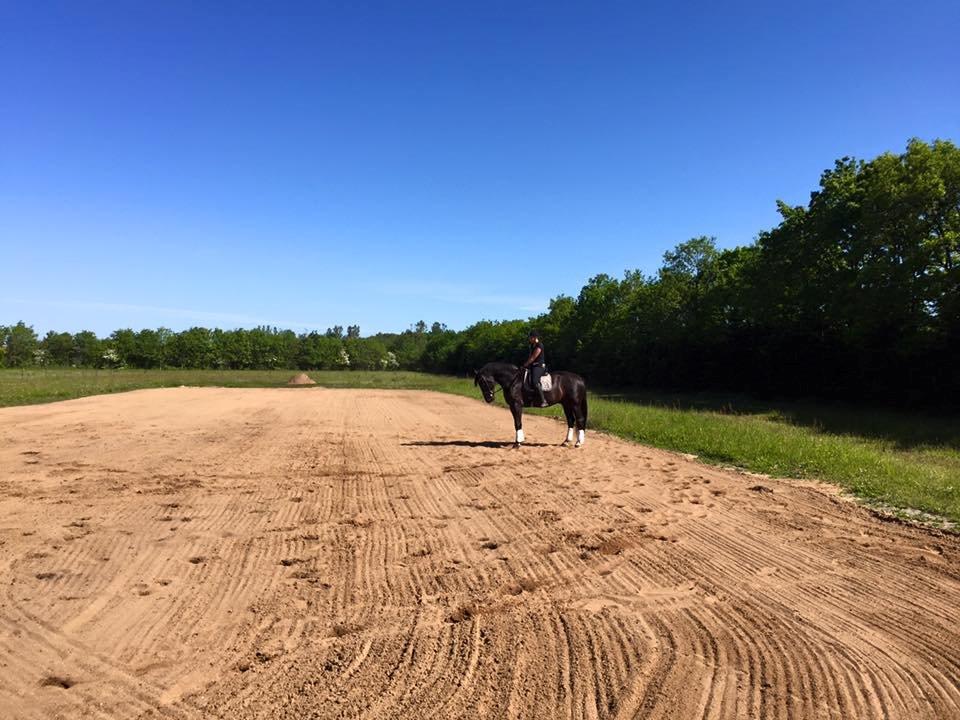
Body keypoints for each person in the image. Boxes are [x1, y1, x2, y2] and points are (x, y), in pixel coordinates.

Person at [523, 330, 549, 407]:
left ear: (534, 337)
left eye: (530, 337)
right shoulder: (532, 346)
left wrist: (525, 364)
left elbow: (533, 357)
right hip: (532, 366)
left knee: (534, 381)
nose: (529, 339)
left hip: (539, 366)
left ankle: (543, 400)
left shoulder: (539, 345)